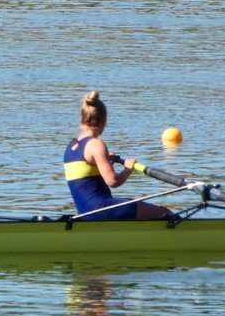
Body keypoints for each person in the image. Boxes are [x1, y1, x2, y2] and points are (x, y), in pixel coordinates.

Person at [64, 90, 170, 220]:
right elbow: (113, 181)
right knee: (163, 211)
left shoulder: (71, 148)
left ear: (81, 119)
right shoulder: (96, 144)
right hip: (102, 209)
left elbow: (87, 179)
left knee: (149, 210)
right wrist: (128, 169)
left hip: (84, 213)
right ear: (104, 121)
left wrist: (102, 159)